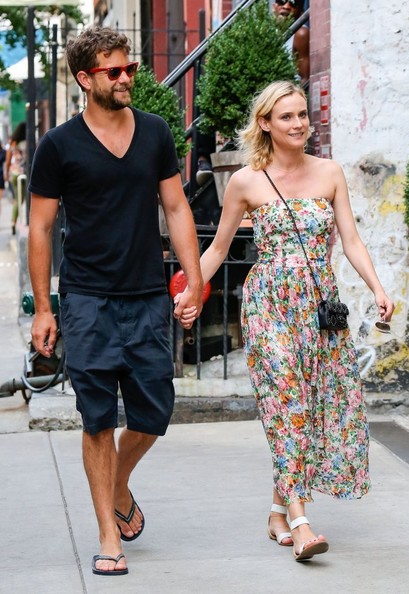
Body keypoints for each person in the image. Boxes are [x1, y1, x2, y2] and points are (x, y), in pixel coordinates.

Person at [176, 81, 394, 561]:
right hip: (268, 305)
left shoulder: (329, 173)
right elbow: (218, 248)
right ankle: (299, 521)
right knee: (287, 403)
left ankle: (277, 512)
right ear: (265, 124)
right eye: (287, 117)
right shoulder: (245, 181)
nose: (299, 124)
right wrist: (191, 290)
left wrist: (378, 288)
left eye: (302, 115)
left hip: (319, 309)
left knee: (309, 406)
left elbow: (351, 241)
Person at [28, 26, 203, 576]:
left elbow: (176, 208)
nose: (127, 77)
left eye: (130, 68)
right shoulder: (59, 145)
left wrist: (195, 280)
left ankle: (118, 482)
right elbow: (41, 228)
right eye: (115, 71)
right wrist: (45, 308)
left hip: (147, 294)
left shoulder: (155, 133)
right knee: (98, 418)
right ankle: (109, 533)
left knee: (154, 413)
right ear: (86, 79)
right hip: (87, 299)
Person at [273, 0, 310, 84]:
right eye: (281, 1)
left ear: (301, 12)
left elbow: (305, 80)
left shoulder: (301, 33)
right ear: (274, 7)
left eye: (293, 4)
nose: (286, 6)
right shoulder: (270, 32)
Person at [4, 122, 26, 234]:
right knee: (21, 199)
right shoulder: (25, 143)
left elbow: (7, 161)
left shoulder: (12, 143)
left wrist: (6, 174)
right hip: (23, 174)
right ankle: (15, 221)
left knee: (18, 199)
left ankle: (14, 221)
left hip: (14, 173)